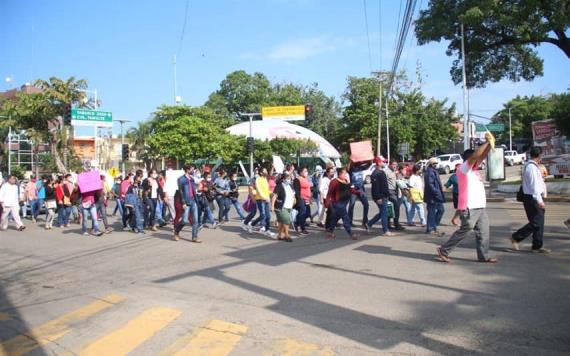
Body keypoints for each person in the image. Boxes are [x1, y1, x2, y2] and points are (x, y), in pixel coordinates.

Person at [437, 132, 498, 263]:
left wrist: (490, 144)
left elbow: (482, 155)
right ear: (468, 159)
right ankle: (444, 250)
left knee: (484, 232)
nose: (479, 160)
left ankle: (483, 256)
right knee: (466, 229)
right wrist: (486, 142)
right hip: (470, 207)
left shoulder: (474, 170)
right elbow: (476, 155)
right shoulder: (464, 168)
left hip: (480, 207)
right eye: (475, 158)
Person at [511, 146, 550, 254]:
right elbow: (534, 187)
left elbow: (540, 183)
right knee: (536, 223)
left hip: (535, 197)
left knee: (539, 223)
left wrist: (544, 195)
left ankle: (537, 246)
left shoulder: (534, 166)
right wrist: (539, 200)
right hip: (532, 198)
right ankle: (516, 237)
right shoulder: (531, 168)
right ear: (539, 155)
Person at [325, 167, 357, 240]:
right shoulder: (334, 182)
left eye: (346, 173)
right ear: (340, 174)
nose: (345, 175)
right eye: (344, 173)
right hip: (338, 203)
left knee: (335, 218)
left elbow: (350, 189)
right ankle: (351, 233)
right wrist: (327, 203)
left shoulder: (345, 180)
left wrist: (357, 192)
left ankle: (330, 231)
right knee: (345, 217)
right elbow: (329, 193)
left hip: (345, 202)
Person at [173, 165, 201, 242]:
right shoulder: (181, 179)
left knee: (195, 220)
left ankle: (194, 237)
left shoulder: (192, 179)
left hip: (193, 201)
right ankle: (176, 231)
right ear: (187, 170)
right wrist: (183, 203)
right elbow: (181, 191)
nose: (193, 170)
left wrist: (197, 189)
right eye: (191, 169)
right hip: (186, 202)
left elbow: (194, 188)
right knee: (184, 220)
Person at [368, 158, 394, 236]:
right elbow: (375, 187)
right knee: (384, 213)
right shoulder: (376, 173)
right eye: (383, 161)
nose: (385, 163)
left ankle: (369, 224)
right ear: (379, 163)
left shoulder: (381, 172)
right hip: (380, 197)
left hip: (384, 196)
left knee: (383, 213)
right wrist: (378, 197)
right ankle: (385, 230)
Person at [250, 165, 274, 237]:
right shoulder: (258, 179)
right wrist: (264, 197)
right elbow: (259, 190)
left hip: (266, 199)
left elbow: (266, 190)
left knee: (268, 216)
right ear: (261, 172)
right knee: (263, 215)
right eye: (265, 170)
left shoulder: (265, 179)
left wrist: (271, 193)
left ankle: (267, 230)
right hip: (260, 200)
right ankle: (252, 224)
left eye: (266, 170)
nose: (266, 171)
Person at [424, 157, 445, 236]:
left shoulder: (434, 171)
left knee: (441, 210)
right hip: (432, 196)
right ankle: (430, 228)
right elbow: (430, 185)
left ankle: (434, 226)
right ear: (430, 164)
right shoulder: (429, 172)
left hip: (436, 195)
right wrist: (437, 192)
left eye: (436, 163)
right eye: (434, 163)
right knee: (431, 212)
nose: (435, 165)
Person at [272, 172, 295, 242]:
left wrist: (294, 200)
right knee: (287, 220)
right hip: (281, 206)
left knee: (281, 222)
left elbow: (293, 194)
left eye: (290, 178)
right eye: (288, 178)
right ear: (283, 179)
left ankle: (279, 235)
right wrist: (272, 206)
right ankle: (287, 235)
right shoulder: (279, 186)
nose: (289, 179)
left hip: (289, 206)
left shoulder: (290, 185)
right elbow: (274, 196)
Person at [348, 161, 369, 229]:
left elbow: (369, 164)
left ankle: (365, 221)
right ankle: (349, 222)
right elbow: (348, 168)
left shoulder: (361, 168)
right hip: (353, 190)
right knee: (351, 205)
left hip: (360, 189)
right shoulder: (351, 169)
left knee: (366, 204)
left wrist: (370, 157)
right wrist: (351, 160)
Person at [386, 160, 405, 231]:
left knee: (391, 208)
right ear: (390, 165)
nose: (395, 166)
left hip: (395, 191)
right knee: (396, 206)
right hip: (389, 191)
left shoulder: (395, 171)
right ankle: (395, 224)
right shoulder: (386, 172)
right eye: (393, 164)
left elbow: (401, 178)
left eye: (396, 165)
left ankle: (389, 224)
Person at [293, 167, 312, 235]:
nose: (306, 172)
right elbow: (296, 190)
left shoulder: (306, 179)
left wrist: (310, 198)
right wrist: (299, 199)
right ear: (300, 172)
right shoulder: (297, 179)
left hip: (306, 199)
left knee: (307, 213)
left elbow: (308, 188)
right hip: (301, 198)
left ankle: (297, 223)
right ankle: (302, 228)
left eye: (307, 171)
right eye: (305, 171)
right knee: (303, 212)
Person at [242, 168, 259, 233]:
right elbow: (250, 189)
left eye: (257, 173)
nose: (256, 174)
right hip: (253, 198)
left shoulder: (260, 179)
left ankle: (252, 224)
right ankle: (245, 223)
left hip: (260, 197)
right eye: (256, 172)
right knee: (253, 213)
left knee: (263, 214)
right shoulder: (251, 180)